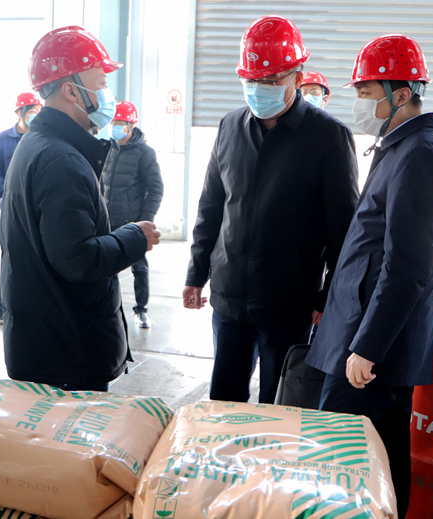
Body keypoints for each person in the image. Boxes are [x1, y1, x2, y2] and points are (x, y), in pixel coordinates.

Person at [305, 34, 433, 518]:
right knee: (375, 458)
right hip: (359, 336)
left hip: (372, 352)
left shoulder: (422, 155)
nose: (357, 103)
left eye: (365, 92)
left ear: (402, 93)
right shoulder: (400, 147)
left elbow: (408, 265)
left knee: (348, 465)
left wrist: (368, 347)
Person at [183, 16, 359, 404]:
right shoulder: (230, 126)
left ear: (298, 78)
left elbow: (343, 231)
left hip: (288, 303)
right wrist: (197, 273)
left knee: (279, 405)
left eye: (270, 81)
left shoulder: (329, 137)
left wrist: (327, 298)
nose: (259, 89)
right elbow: (212, 206)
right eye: (251, 81)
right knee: (223, 400)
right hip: (229, 296)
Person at [0, 26, 160, 392]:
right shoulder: (62, 160)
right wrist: (135, 237)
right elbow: (77, 260)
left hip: (45, 340)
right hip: (67, 354)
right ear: (72, 91)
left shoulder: (35, 145)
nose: (108, 94)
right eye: (101, 82)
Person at [101, 101, 164, 329]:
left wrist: (145, 220)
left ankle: (141, 309)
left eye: (120, 123)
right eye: (113, 122)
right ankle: (106, 306)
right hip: (106, 219)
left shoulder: (144, 153)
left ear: (131, 126)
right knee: (104, 265)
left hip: (132, 221)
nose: (116, 127)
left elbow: (155, 188)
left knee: (139, 267)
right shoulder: (106, 148)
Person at [0, 92, 42, 324]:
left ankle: (33, 303)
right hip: (11, 209)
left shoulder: (42, 139)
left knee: (38, 256)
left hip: (37, 208)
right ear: (20, 113)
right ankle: (1, 304)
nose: (35, 115)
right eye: (31, 111)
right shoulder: (1, 140)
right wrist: (6, 193)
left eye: (38, 110)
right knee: (10, 255)